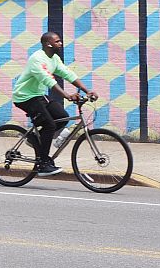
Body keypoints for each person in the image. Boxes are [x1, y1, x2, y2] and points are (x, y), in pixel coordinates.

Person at [12, 32, 97, 177]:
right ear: (48, 44)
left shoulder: (54, 58)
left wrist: (87, 90)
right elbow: (48, 80)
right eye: (57, 41)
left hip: (38, 95)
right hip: (24, 97)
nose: (61, 43)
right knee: (50, 125)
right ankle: (43, 164)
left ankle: (35, 140)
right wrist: (67, 95)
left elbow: (68, 74)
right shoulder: (37, 59)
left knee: (62, 117)